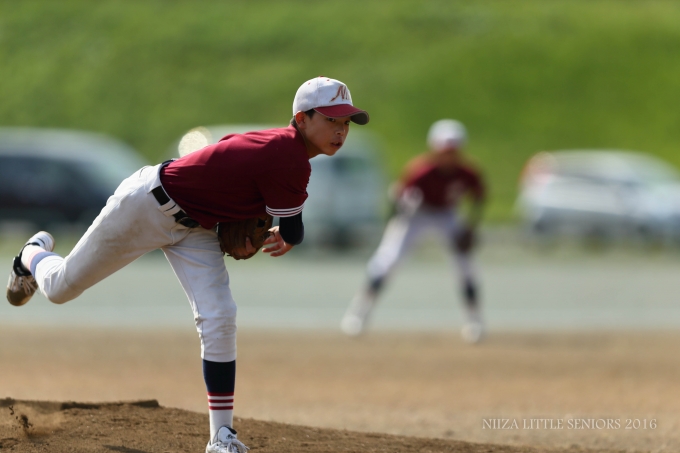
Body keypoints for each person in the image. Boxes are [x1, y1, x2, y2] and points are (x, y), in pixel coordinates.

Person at [6, 76, 369, 453]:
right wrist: (285, 234)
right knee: (60, 288)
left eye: (346, 122)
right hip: (146, 206)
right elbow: (293, 229)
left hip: (197, 228)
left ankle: (221, 437)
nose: (341, 130)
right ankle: (32, 253)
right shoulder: (287, 154)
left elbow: (229, 160)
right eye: (332, 119)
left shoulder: (280, 148)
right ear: (302, 118)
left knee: (220, 316)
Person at [340, 119, 486, 343]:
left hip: (447, 214)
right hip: (418, 213)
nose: (449, 155)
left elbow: (478, 197)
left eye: (453, 150)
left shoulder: (467, 172)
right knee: (388, 260)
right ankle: (358, 313)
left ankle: (474, 321)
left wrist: (470, 226)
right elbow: (400, 198)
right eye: (445, 150)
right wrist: (396, 223)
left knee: (466, 265)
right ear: (435, 149)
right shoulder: (422, 171)